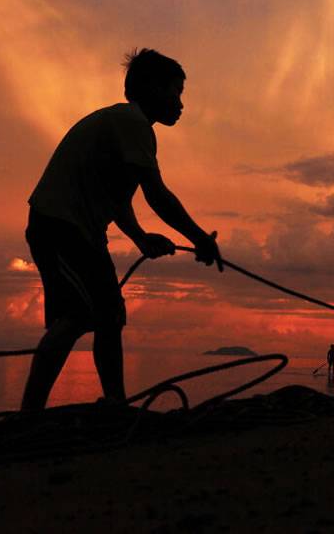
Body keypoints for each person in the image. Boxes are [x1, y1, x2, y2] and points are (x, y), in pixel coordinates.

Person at [21, 48, 223, 411]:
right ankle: (28, 415)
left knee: (110, 315)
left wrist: (140, 238)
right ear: (149, 89)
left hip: (82, 233)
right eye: (175, 92)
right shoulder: (132, 122)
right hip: (58, 226)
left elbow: (118, 200)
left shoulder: (130, 128)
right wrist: (200, 240)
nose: (181, 104)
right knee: (78, 315)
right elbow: (157, 195)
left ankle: (115, 403)